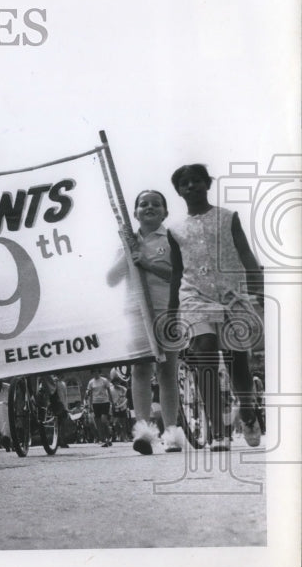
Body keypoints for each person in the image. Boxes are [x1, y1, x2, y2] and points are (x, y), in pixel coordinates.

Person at [167, 164, 264, 451]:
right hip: (195, 298)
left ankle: (247, 413)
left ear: (208, 184)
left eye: (197, 181)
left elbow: (246, 252)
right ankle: (218, 430)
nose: (191, 187)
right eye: (184, 183)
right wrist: (173, 311)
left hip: (232, 296)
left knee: (238, 361)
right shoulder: (175, 230)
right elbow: (176, 272)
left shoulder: (228, 217)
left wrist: (257, 286)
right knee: (205, 351)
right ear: (179, 191)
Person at [106, 190, 184, 454]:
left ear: (165, 212)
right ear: (135, 212)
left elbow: (179, 276)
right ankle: (143, 432)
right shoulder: (126, 242)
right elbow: (111, 279)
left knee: (167, 371)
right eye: (143, 204)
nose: (149, 207)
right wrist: (128, 253)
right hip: (136, 312)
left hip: (167, 310)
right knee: (141, 369)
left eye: (155, 204)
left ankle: (172, 433)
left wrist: (148, 263)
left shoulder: (172, 239)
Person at [86, 368, 114, 446]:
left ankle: (108, 436)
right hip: (95, 403)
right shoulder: (91, 382)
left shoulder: (104, 380)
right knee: (98, 422)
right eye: (94, 372)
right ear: (92, 373)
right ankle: (103, 439)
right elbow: (90, 394)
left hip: (105, 402)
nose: (95, 373)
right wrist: (90, 405)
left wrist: (112, 402)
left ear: (99, 372)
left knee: (103, 420)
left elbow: (109, 391)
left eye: (97, 371)